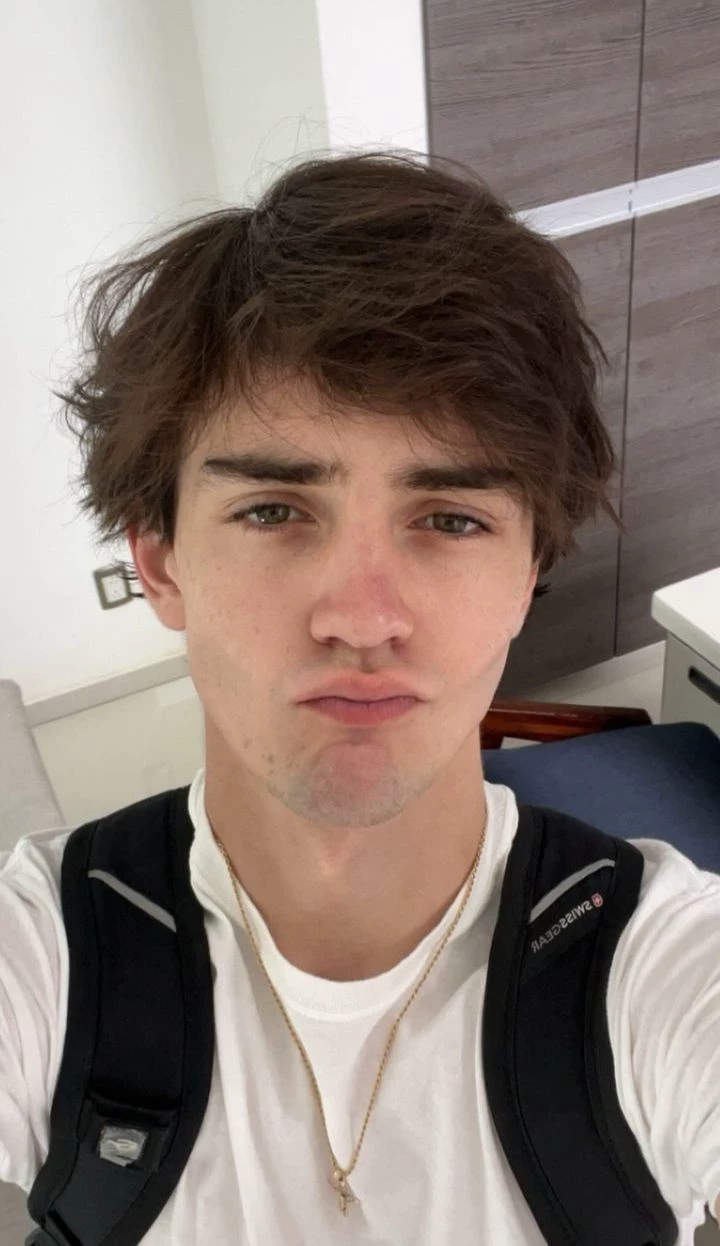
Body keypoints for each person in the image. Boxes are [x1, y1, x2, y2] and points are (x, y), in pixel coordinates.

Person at [1, 150, 718, 1244]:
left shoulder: (665, 968)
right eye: (274, 511)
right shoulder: (44, 956)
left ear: (529, 571)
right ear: (158, 560)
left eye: (451, 519)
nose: (363, 617)